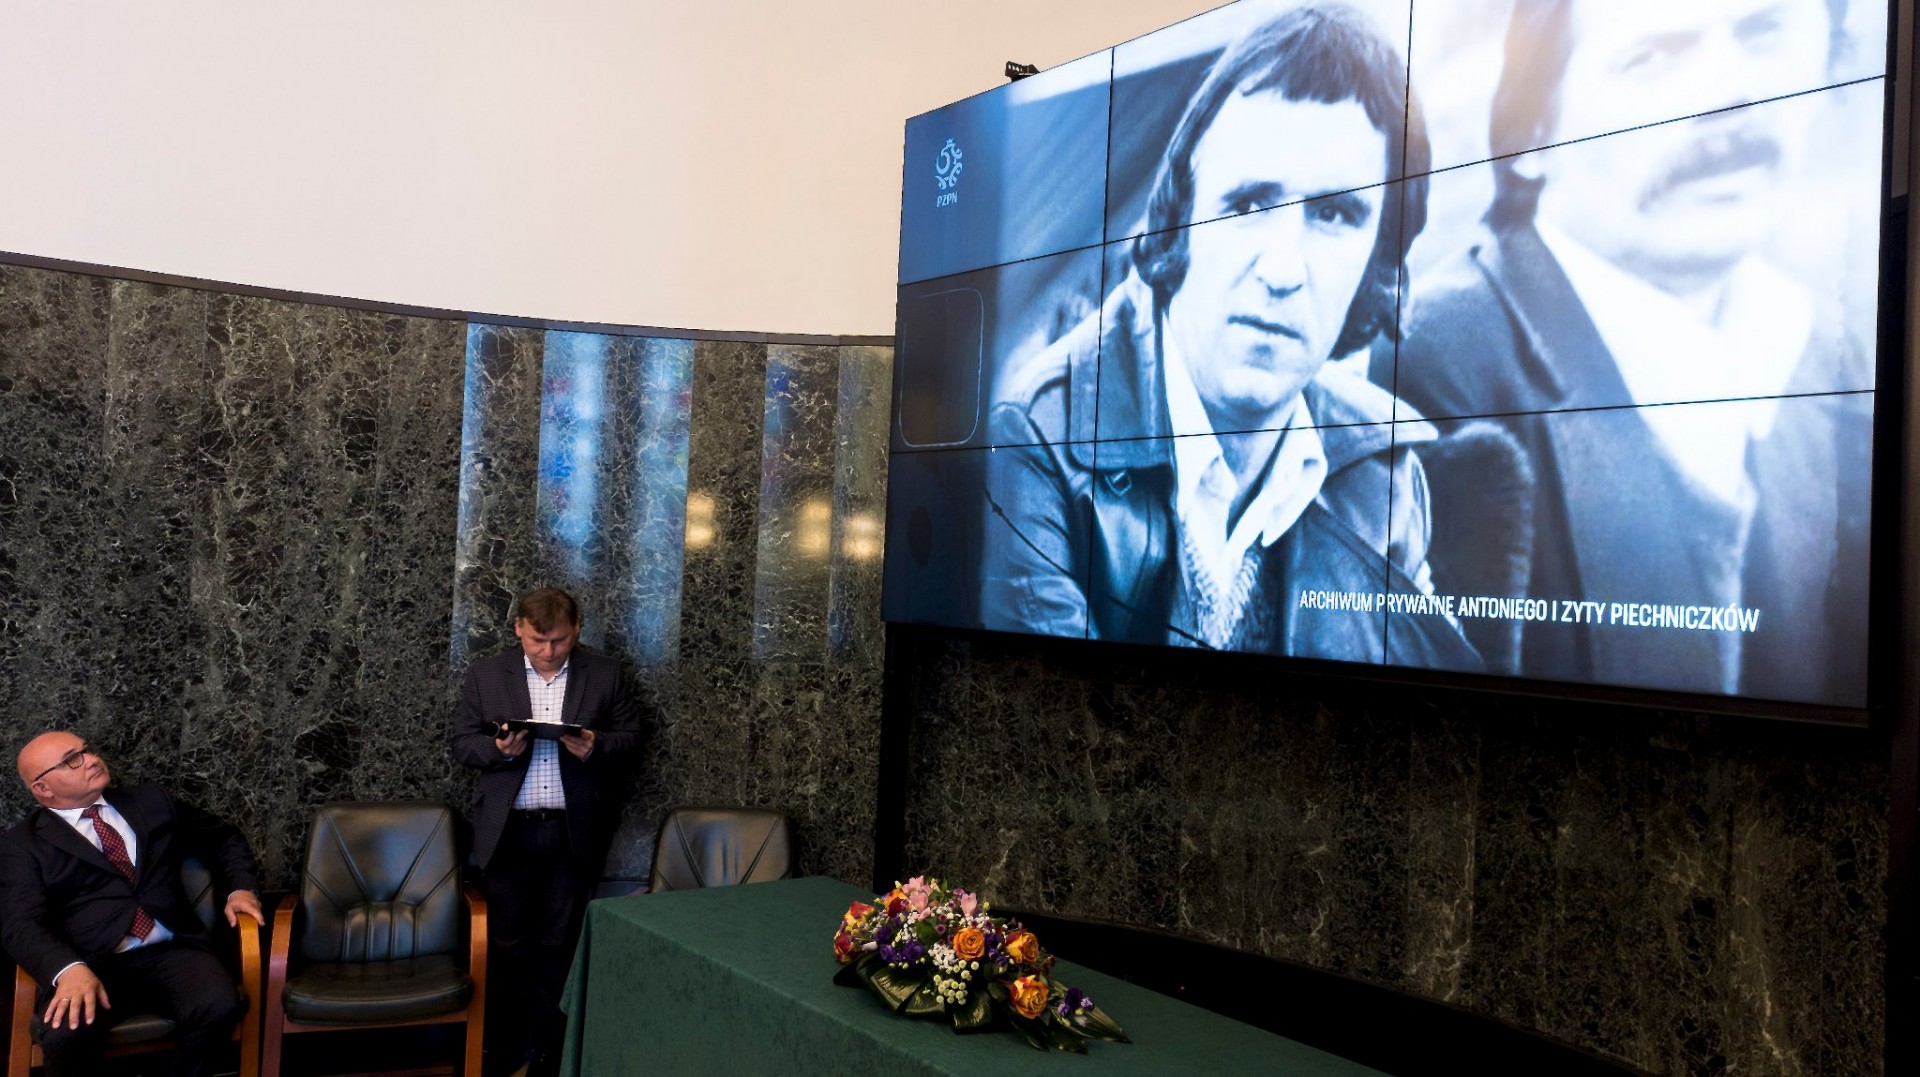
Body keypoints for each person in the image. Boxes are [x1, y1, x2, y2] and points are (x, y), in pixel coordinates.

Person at [1387, 0, 1870, 702]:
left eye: (1762, 33)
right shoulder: (1434, 369)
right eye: (1652, 58)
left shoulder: (1831, 354)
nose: (1731, 90)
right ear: (1532, 135)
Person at [982, 3, 1480, 670]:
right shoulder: (1036, 438)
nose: (1282, 270)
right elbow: (1064, 721)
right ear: (1181, 215)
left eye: (1335, 214)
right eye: (1249, 204)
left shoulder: (1383, 473)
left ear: (1377, 262)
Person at [450, 587, 639, 1077]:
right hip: (507, 832)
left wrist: (597, 746)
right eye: (538, 641)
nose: (549, 651)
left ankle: (549, 1054)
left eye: (559, 640)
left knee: (560, 945)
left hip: (572, 832)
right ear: (518, 629)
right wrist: (497, 750)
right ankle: (505, 1051)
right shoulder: (488, 673)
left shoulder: (605, 673)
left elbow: (632, 739)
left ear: (577, 629)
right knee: (507, 945)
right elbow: (462, 743)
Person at [0, 731, 263, 1077]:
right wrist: (67, 969)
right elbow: (20, 923)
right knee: (67, 1034)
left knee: (220, 1005)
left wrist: (240, 890)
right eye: (72, 760)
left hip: (173, 951)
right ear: (43, 789)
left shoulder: (152, 801)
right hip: (90, 963)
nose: (91, 760)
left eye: (86, 750)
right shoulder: (21, 844)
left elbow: (224, 839)